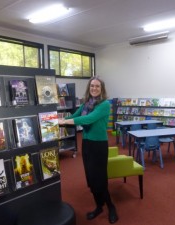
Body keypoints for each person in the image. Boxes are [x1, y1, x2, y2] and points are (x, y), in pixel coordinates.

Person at [61, 76, 118, 224]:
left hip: (99, 145)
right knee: (91, 179)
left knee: (100, 179)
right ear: (89, 87)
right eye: (92, 86)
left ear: (102, 89)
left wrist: (66, 121)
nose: (94, 88)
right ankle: (99, 206)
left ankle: (111, 207)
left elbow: (88, 119)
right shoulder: (86, 103)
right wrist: (57, 121)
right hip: (87, 143)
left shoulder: (104, 104)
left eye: (97, 86)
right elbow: (75, 116)